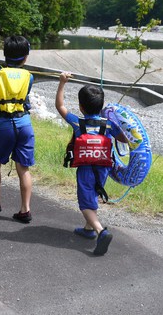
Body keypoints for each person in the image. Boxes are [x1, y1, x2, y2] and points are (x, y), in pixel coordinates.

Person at [55, 72, 128, 255]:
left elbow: (60, 106)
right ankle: (88, 230)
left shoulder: (78, 122)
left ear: (81, 107)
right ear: (102, 106)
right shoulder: (109, 125)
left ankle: (100, 230)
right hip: (103, 168)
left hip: (86, 167)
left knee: (85, 202)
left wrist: (62, 83)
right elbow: (125, 140)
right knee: (93, 195)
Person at [0, 35, 35, 223]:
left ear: (5, 54)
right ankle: (25, 209)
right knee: (23, 168)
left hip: (4, 124)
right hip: (25, 124)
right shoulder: (30, 76)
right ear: (25, 57)